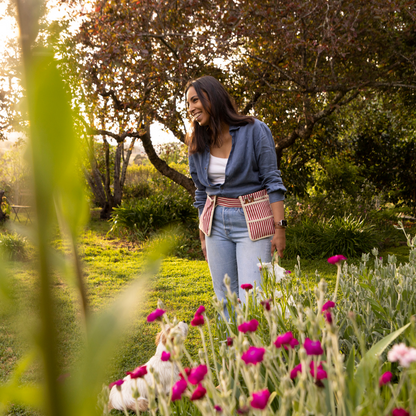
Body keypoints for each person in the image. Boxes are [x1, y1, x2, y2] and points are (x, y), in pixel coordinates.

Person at [185, 76, 287, 318]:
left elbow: (272, 180)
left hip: (252, 222)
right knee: (225, 297)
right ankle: (230, 352)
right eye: (187, 104)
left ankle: (257, 354)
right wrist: (202, 233)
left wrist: (280, 228)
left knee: (254, 297)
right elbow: (201, 191)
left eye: (195, 99)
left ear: (213, 96)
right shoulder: (197, 142)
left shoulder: (254, 130)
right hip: (214, 224)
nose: (190, 108)